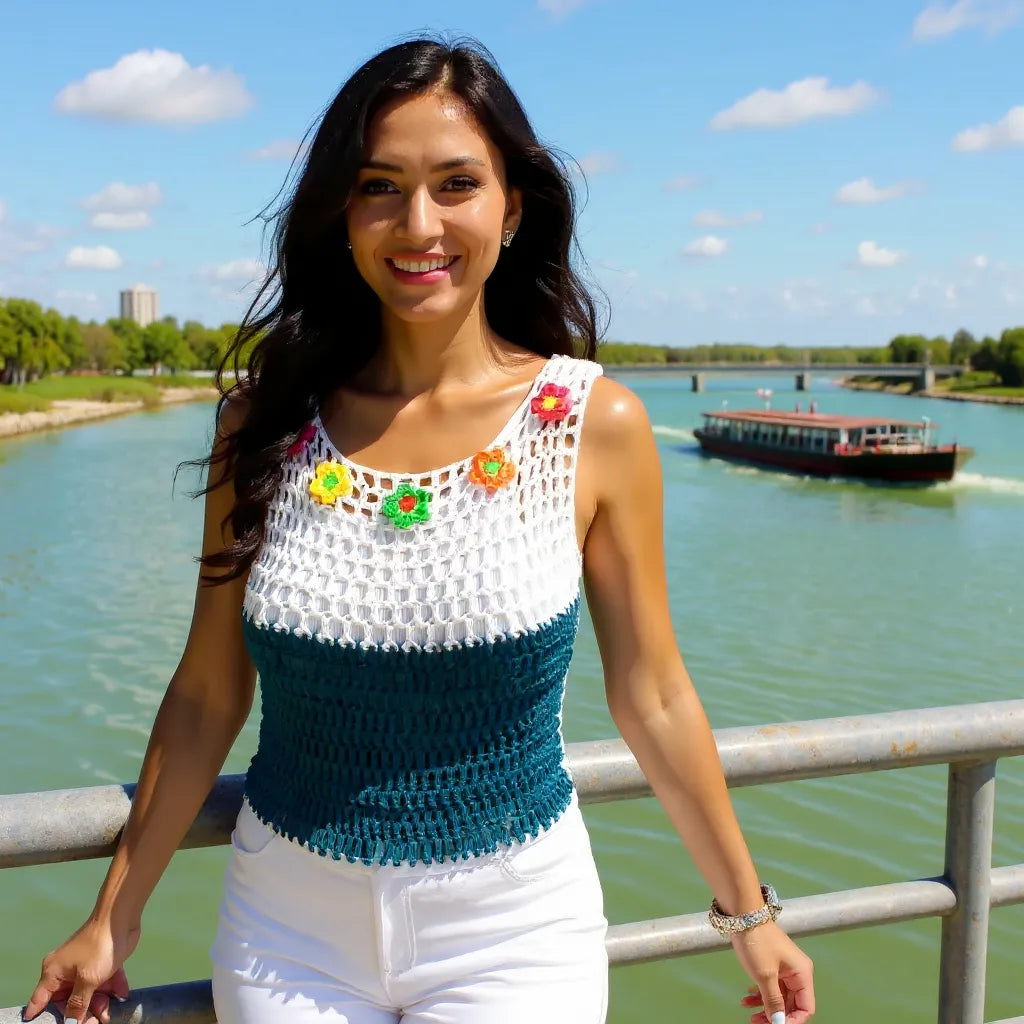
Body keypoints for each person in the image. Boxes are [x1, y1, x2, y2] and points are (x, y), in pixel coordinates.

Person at [24, 37, 815, 1024]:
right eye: (380, 186)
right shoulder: (263, 425)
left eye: (455, 184)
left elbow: (651, 693)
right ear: (342, 214)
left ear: (511, 207)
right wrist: (114, 915)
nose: (419, 222)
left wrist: (751, 913)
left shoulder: (594, 424)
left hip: (515, 935)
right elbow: (205, 693)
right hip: (285, 933)